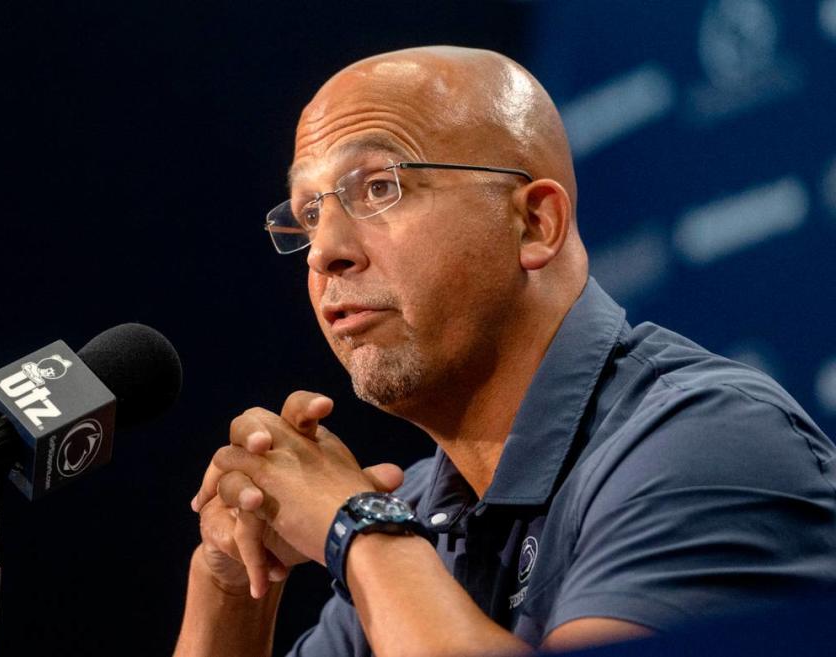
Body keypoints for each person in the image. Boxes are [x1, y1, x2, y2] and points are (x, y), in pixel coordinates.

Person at [173, 46, 836, 657]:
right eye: (310, 214)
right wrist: (228, 586)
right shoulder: (417, 516)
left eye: (378, 187)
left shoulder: (709, 442)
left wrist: (356, 526)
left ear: (535, 223)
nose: (323, 252)